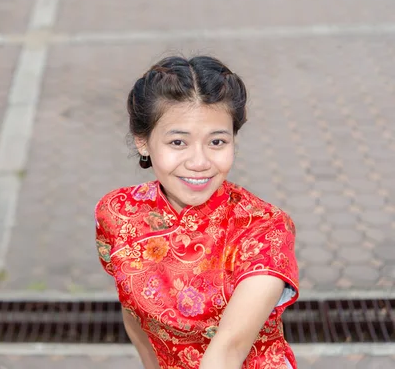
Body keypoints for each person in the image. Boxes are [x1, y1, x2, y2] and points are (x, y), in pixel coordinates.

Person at [94, 55, 299, 369]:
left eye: (217, 141)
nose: (199, 162)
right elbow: (132, 311)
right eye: (178, 142)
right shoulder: (118, 212)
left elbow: (228, 351)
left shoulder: (263, 230)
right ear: (143, 143)